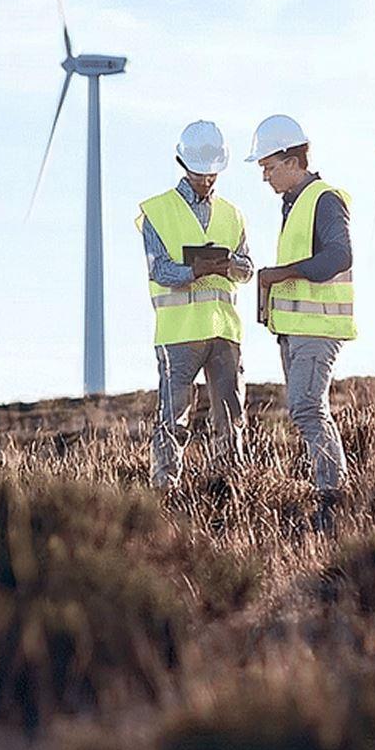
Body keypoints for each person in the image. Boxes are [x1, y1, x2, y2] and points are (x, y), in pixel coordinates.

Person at [246, 114, 355, 534]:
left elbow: (339, 256)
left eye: (269, 167)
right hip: (295, 330)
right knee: (306, 409)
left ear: (292, 161)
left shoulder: (324, 200)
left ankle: (332, 499)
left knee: (308, 407)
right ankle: (331, 493)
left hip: (318, 329)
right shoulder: (294, 203)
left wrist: (283, 273)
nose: (265, 177)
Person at [136, 120, 255, 489]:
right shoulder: (157, 211)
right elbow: (159, 270)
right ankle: (165, 489)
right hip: (179, 334)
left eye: (212, 172)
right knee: (172, 418)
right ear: (182, 163)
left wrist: (230, 265)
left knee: (230, 417)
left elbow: (248, 269)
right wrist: (194, 270)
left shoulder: (233, 214)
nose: (207, 179)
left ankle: (230, 488)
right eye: (200, 172)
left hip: (224, 332)